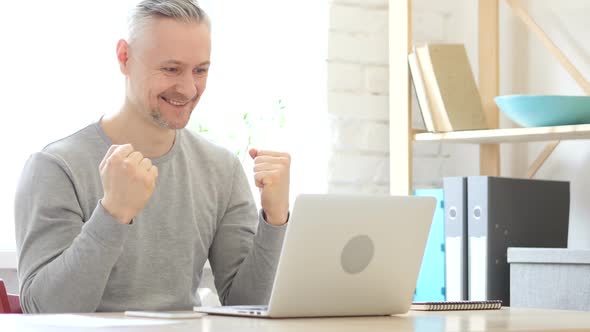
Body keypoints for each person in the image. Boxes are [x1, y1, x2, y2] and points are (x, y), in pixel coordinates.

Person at [14, 0, 290, 313]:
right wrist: (112, 213)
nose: (187, 88)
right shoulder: (56, 167)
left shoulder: (221, 169)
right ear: (124, 58)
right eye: (171, 69)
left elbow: (246, 305)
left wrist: (275, 218)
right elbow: (44, 313)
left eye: (200, 70)